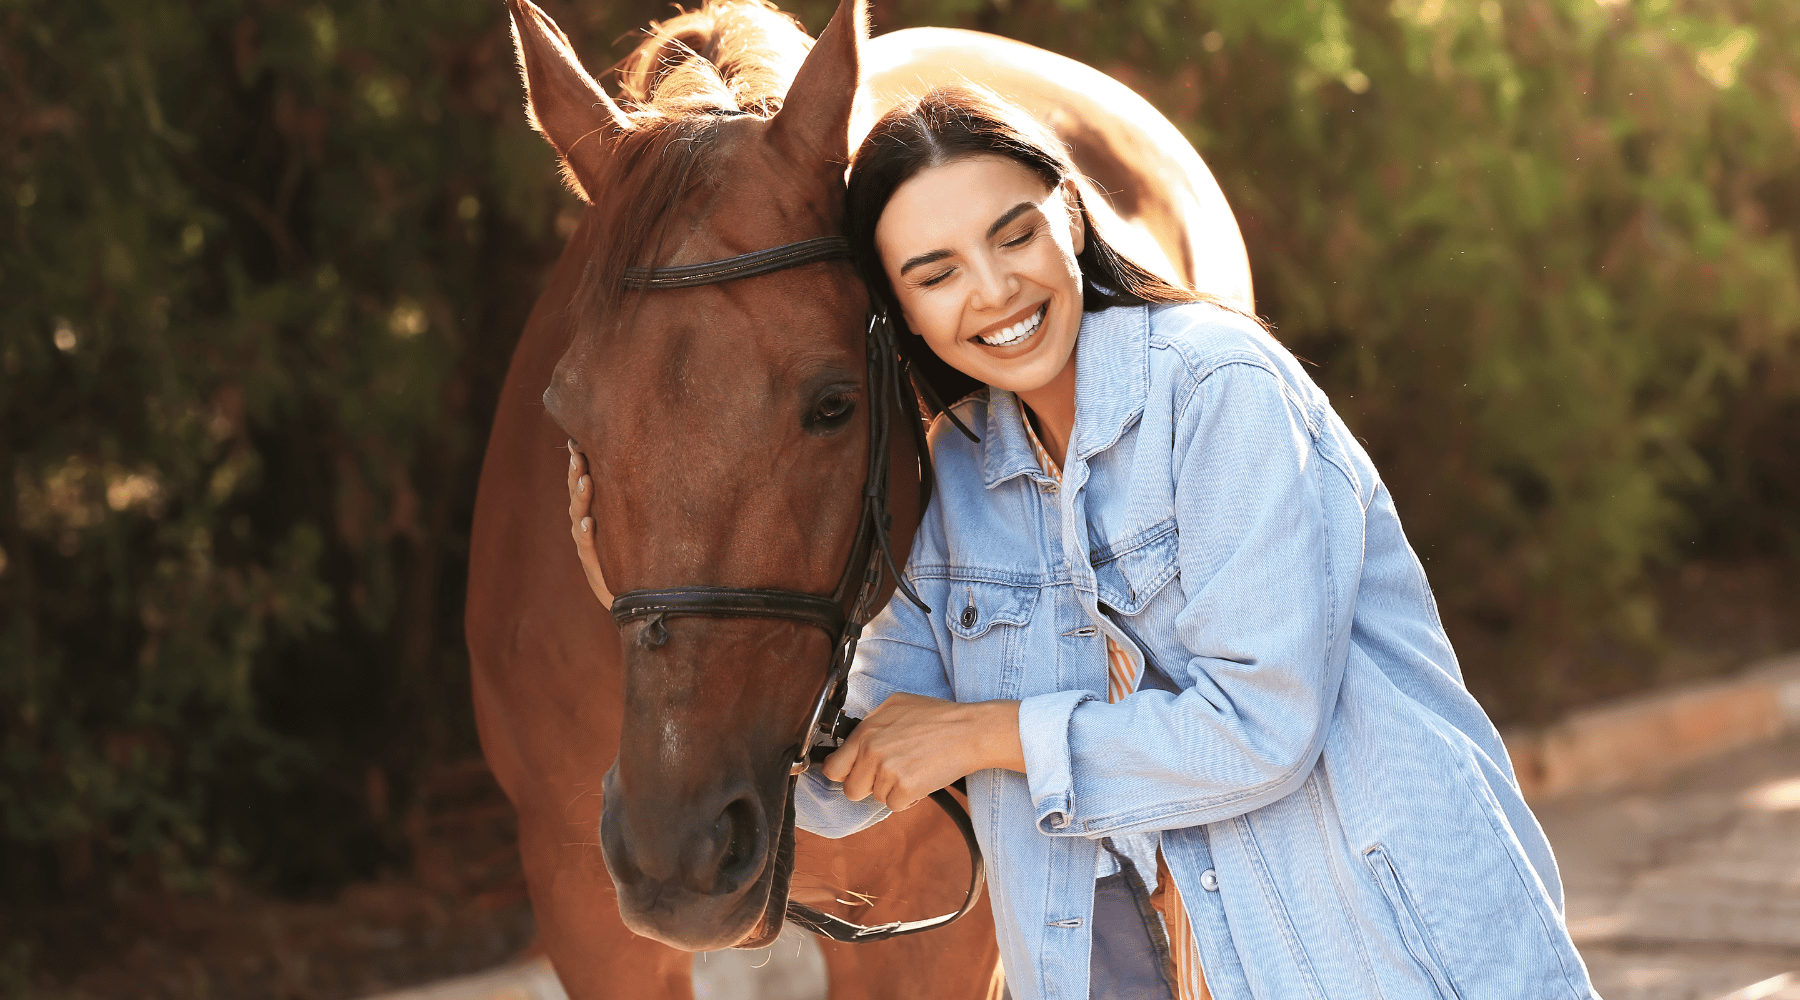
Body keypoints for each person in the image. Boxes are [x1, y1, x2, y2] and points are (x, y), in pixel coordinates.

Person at [569, 87, 1598, 1000]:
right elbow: (854, 775)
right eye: (935, 273)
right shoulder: (957, 478)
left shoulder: (1218, 389)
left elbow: (1263, 730)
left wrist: (984, 734)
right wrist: (661, 604)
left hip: (1366, 955)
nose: (994, 291)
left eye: (1012, 236)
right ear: (903, 315)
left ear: (1068, 210)